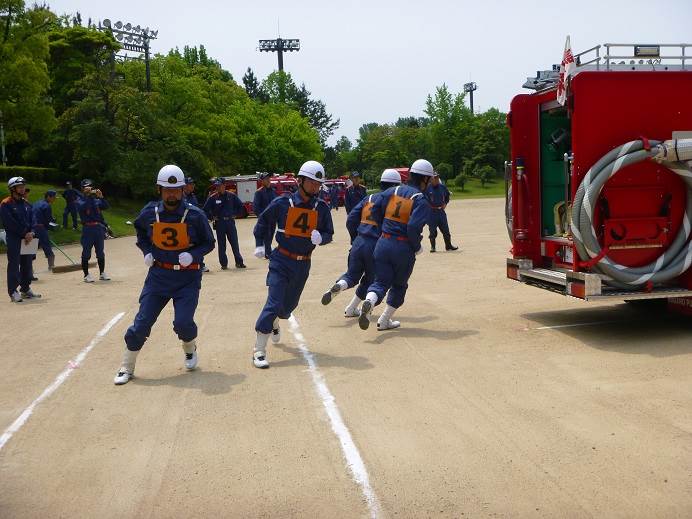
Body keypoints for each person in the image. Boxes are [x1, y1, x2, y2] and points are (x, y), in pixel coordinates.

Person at [114, 165, 215, 385]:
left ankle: (189, 347)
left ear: (182, 190)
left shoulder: (195, 215)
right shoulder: (150, 212)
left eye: (176, 190)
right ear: (159, 190)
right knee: (141, 323)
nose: (171, 194)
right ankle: (127, 365)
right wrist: (147, 251)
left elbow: (209, 242)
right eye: (167, 190)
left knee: (183, 323)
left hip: (187, 278)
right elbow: (140, 231)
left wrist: (194, 255)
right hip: (158, 277)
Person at [251, 160, 334, 369]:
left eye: (318, 183)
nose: (315, 187)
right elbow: (262, 222)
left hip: (303, 264)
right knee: (273, 302)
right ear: (301, 181)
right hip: (281, 260)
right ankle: (259, 350)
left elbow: (329, 233)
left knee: (287, 307)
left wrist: (321, 238)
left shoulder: (321, 208)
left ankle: (276, 321)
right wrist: (260, 244)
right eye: (312, 182)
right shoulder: (282, 203)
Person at [358, 159, 434, 331]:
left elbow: (375, 208)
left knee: (380, 282)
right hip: (403, 247)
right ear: (424, 179)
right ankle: (384, 320)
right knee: (399, 285)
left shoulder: (393, 190)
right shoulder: (420, 199)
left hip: (383, 242)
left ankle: (369, 301)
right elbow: (413, 227)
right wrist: (416, 246)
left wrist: (383, 226)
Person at [321, 169, 402, 317]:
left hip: (359, 241)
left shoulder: (369, 197)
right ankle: (365, 307)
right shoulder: (392, 202)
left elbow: (351, 218)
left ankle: (342, 289)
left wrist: (355, 238)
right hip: (376, 245)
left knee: (351, 276)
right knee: (373, 280)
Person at [1, 177, 40, 302]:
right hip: (14, 238)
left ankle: (25, 289)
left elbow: (34, 219)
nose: (23, 188)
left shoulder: (27, 203)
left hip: (29, 238)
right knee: (14, 264)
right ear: (12, 189)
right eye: (19, 186)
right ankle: (13, 291)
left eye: (23, 186)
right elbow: (9, 222)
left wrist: (32, 232)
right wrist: (25, 233)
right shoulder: (5, 203)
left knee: (27, 264)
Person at [203, 179, 246, 269]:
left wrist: (236, 214)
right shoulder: (213, 197)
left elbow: (240, 206)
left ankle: (239, 262)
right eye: (217, 186)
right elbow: (205, 210)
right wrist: (212, 217)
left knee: (234, 243)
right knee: (222, 245)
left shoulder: (231, 196)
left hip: (230, 222)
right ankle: (224, 264)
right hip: (220, 223)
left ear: (224, 185)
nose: (218, 187)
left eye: (219, 185)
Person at [77, 179, 111, 282]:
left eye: (90, 186)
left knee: (100, 252)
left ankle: (102, 273)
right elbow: (83, 207)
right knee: (86, 252)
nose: (89, 188)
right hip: (88, 228)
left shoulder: (96, 200)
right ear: (82, 189)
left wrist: (101, 196)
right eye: (86, 187)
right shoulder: (80, 200)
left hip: (98, 228)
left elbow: (106, 206)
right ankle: (86, 275)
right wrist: (87, 196)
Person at [426, 172, 458, 252]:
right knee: (432, 231)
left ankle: (448, 246)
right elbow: (423, 199)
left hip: (441, 212)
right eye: (434, 178)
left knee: (446, 230)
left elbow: (447, 196)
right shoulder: (427, 188)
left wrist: (445, 203)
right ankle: (433, 247)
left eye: (437, 177)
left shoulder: (442, 187)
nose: (436, 179)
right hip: (432, 213)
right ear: (431, 179)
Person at [253, 172, 277, 258]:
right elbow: (255, 208)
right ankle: (268, 253)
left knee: (270, 236)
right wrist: (262, 217)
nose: (268, 180)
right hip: (264, 220)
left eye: (269, 178)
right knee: (266, 236)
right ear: (262, 181)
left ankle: (268, 252)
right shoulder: (259, 193)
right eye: (266, 179)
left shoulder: (273, 191)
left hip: (273, 220)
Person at [32, 190, 57, 271]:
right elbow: (48, 221)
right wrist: (52, 225)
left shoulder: (36, 203)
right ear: (48, 197)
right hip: (41, 228)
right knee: (47, 246)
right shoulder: (47, 206)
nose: (54, 199)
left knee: (31, 248)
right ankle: (51, 267)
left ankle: (28, 269)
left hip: (32, 228)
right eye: (53, 198)